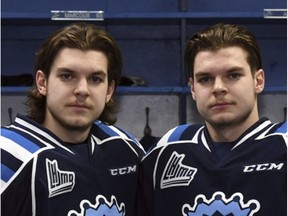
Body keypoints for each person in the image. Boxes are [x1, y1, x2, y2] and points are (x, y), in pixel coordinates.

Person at [137, 23, 287, 215]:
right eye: (205, 79)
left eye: (233, 75)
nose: (218, 88)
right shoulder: (168, 149)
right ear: (192, 88)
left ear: (258, 81)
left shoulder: (282, 145)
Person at [0, 22, 145, 215]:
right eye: (67, 76)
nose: (82, 90)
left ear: (109, 90)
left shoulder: (126, 148)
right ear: (42, 83)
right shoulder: (7, 155)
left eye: (95, 79)